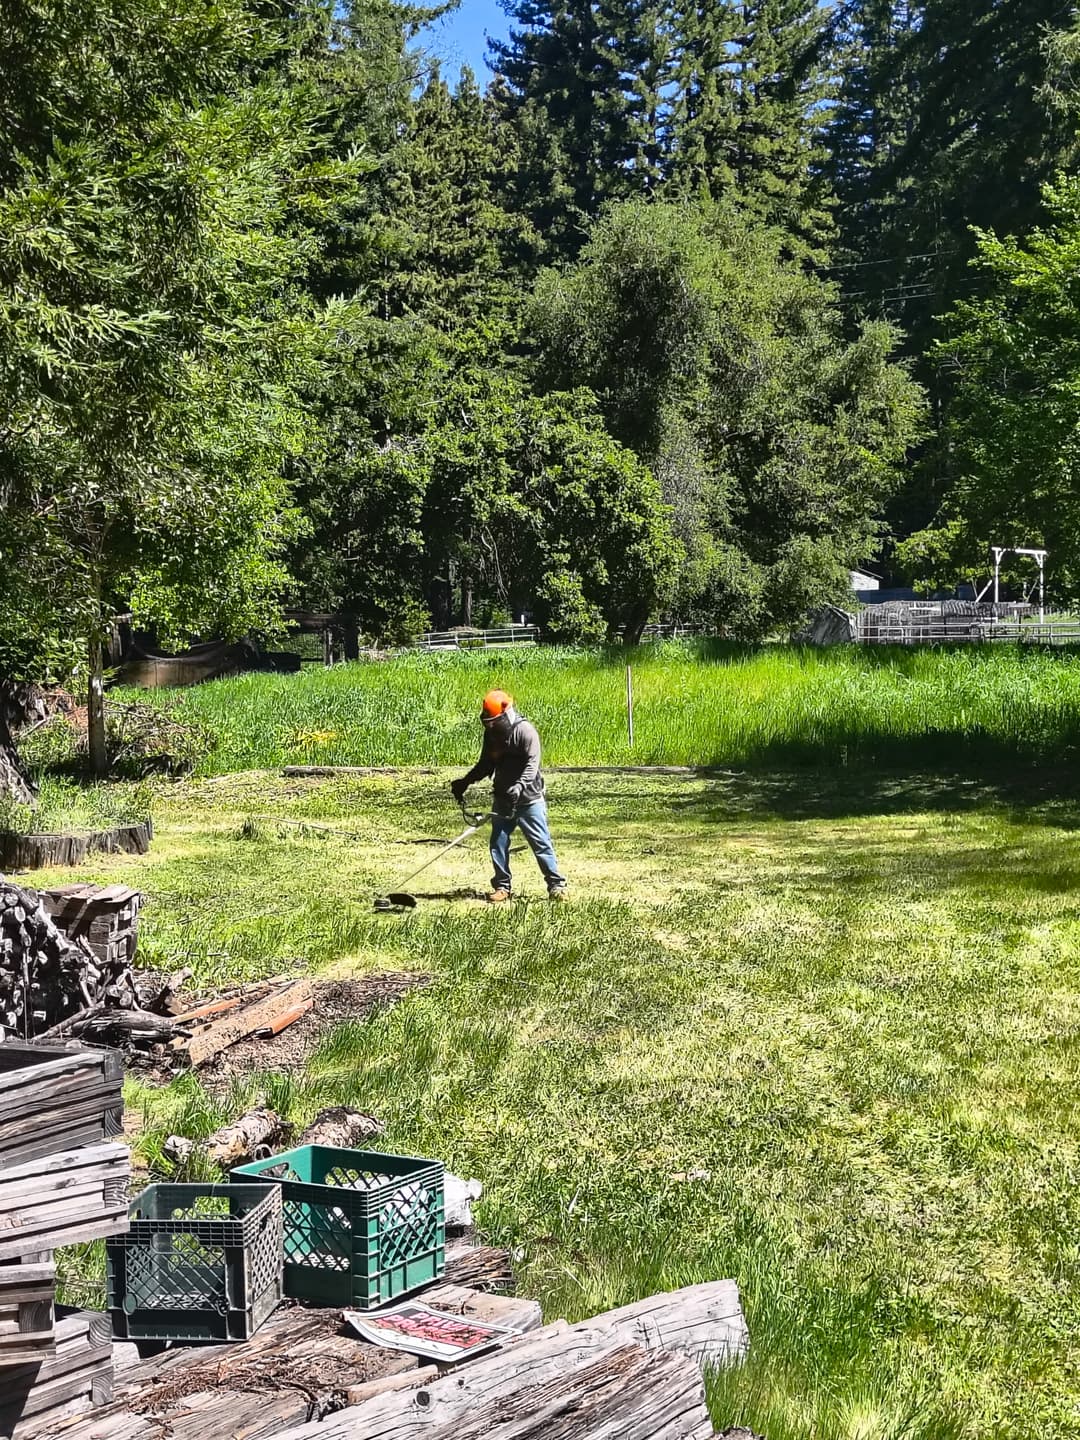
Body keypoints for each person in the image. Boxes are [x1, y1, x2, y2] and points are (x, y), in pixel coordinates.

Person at [451, 689, 567, 904]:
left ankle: (556, 886)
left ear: (505, 715)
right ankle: (502, 886)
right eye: (487, 722)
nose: (490, 726)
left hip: (529, 799)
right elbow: (486, 764)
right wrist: (465, 782)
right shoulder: (492, 735)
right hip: (503, 799)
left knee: (540, 843)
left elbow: (533, 765)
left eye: (493, 721)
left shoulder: (526, 732)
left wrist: (519, 786)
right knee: (498, 842)